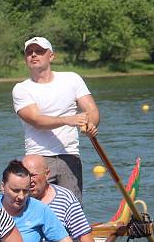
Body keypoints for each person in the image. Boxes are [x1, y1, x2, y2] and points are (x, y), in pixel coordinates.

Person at [12, 36, 100, 201]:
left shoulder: (72, 79)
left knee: (72, 209)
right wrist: (69, 120)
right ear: (25, 58)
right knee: (33, 208)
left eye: (39, 51)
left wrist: (91, 125)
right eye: (29, 52)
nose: (34, 55)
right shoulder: (21, 89)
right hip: (37, 159)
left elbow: (92, 109)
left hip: (69, 155)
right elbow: (36, 120)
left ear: (51, 56)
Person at [22, 155, 95, 242]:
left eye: (33, 175)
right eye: (25, 176)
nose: (30, 180)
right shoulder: (17, 200)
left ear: (47, 174)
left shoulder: (65, 198)